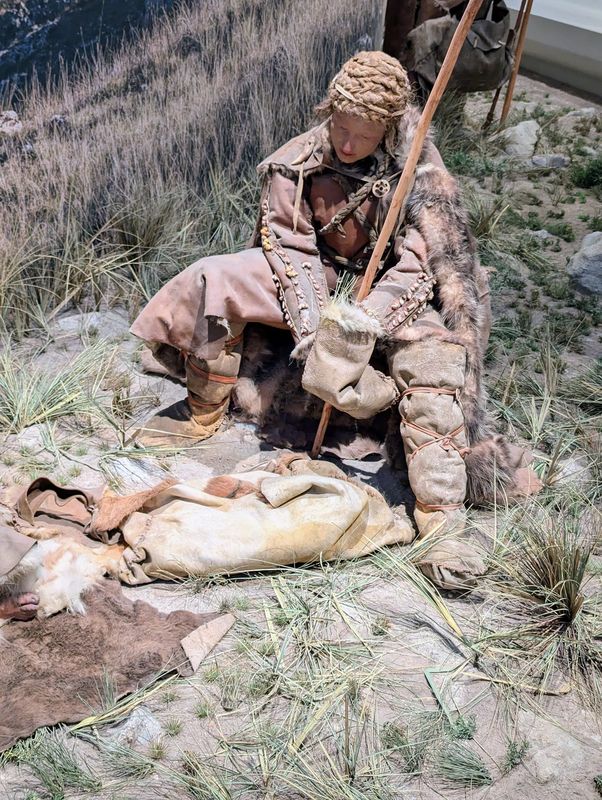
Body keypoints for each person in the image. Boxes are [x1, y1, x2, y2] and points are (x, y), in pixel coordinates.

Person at [130, 50, 536, 545]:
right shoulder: (299, 162)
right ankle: (203, 411)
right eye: (341, 129)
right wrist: (315, 325)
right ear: (329, 112)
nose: (346, 145)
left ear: (388, 129)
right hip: (313, 277)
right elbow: (290, 245)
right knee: (215, 277)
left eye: (362, 136)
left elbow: (420, 263)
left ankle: (439, 517)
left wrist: (362, 321)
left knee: (435, 361)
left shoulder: (420, 172)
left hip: (395, 291)